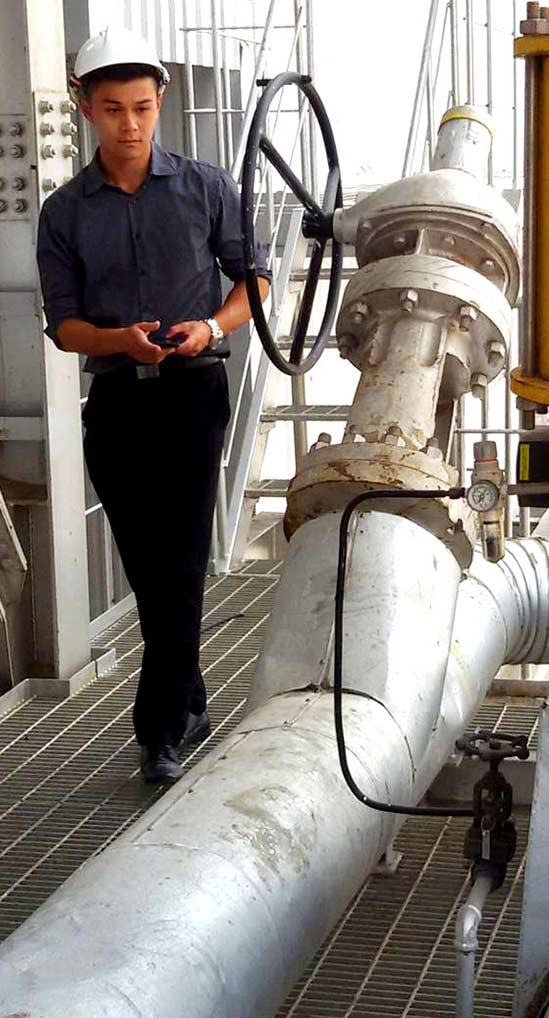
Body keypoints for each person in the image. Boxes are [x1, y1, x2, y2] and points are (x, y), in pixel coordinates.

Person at [36, 27, 271, 782]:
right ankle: (191, 701)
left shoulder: (207, 187)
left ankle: (159, 732)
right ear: (84, 108)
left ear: (161, 101)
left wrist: (211, 327)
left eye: (141, 108)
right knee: (150, 570)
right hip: (116, 404)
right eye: (113, 110)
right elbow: (64, 326)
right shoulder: (64, 212)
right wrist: (121, 341)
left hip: (195, 393)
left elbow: (255, 281)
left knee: (182, 561)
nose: (129, 125)